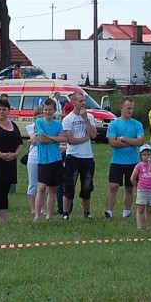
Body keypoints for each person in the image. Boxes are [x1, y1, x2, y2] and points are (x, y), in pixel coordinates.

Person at [104, 96, 144, 220]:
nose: (130, 111)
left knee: (129, 187)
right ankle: (109, 212)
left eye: (132, 108)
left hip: (133, 162)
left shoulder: (137, 124)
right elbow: (112, 143)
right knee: (113, 186)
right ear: (122, 107)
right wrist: (132, 142)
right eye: (128, 108)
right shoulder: (114, 124)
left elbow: (141, 141)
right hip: (117, 161)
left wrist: (125, 139)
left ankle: (126, 212)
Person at [62, 91, 97, 219]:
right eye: (80, 101)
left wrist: (86, 119)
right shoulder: (68, 119)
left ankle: (86, 213)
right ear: (74, 102)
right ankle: (66, 213)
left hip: (87, 157)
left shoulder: (90, 117)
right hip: (73, 156)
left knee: (87, 186)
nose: (83, 103)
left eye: (84, 100)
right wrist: (84, 138)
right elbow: (70, 140)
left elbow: (93, 135)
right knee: (69, 185)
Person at [34, 99, 66, 222]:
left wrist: (49, 137)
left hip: (56, 159)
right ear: (43, 110)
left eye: (50, 110)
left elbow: (63, 138)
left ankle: (49, 215)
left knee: (53, 189)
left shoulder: (58, 124)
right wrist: (55, 139)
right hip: (43, 160)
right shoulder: (39, 122)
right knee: (41, 188)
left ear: (54, 110)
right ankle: (37, 215)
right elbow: (41, 139)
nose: (47, 112)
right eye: (45, 110)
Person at [131, 145, 151, 230]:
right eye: (144, 154)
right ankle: (139, 226)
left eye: (148, 154)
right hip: (142, 190)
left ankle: (149, 226)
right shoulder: (139, 165)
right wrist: (138, 187)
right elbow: (132, 178)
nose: (146, 156)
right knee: (141, 209)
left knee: (150, 209)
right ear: (141, 156)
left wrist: (150, 164)